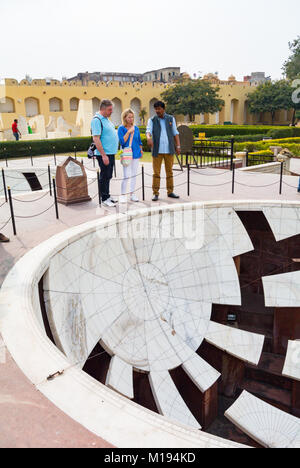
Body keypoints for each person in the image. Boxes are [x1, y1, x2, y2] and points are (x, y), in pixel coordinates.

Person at [146, 101, 181, 202]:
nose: (157, 111)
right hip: (157, 150)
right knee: (156, 173)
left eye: (159, 109)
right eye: (156, 109)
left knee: (169, 172)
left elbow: (175, 133)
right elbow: (148, 131)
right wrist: (149, 138)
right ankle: (155, 193)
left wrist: (178, 146)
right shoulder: (152, 120)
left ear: (163, 109)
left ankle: (170, 192)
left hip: (169, 149)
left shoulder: (171, 119)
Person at [91, 99, 119, 207]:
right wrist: (103, 155)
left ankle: (107, 195)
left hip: (110, 153)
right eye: (109, 109)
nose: (111, 111)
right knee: (104, 175)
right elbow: (96, 138)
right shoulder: (97, 120)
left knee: (108, 175)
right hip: (104, 154)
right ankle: (104, 198)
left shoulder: (107, 119)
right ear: (103, 109)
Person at [118, 109, 143, 203]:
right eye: (129, 117)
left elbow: (139, 140)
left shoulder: (136, 128)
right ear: (125, 118)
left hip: (136, 153)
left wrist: (141, 150)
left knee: (134, 175)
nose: (131, 119)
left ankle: (132, 194)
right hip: (127, 154)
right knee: (126, 176)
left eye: (132, 117)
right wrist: (128, 132)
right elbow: (122, 141)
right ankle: (123, 195)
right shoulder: (121, 128)